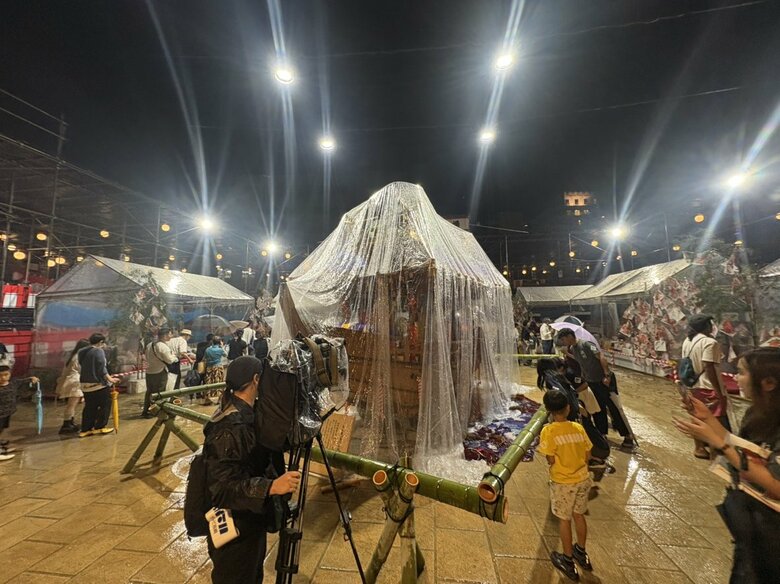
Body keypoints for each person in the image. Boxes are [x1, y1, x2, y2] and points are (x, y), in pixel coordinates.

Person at [673, 348, 780, 583]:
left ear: (769, 382)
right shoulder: (758, 413)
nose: (735, 377)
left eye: (741, 372)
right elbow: (750, 452)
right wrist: (708, 420)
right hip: (753, 525)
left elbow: (776, 483)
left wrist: (720, 445)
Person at [203, 356, 301, 583]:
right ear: (257, 380)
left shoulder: (248, 414)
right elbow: (222, 489)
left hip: (249, 521)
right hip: (235, 530)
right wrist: (271, 487)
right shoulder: (230, 426)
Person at [537, 389, 594, 582]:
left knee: (564, 519)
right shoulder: (578, 428)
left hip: (563, 482)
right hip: (583, 479)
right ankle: (581, 551)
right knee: (579, 515)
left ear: (549, 411)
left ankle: (567, 560)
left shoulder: (549, 431)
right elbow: (588, 454)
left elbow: (550, 459)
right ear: (568, 408)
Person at [558, 328, 637, 451]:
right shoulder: (573, 349)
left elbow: (601, 356)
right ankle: (602, 433)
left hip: (603, 380)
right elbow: (581, 362)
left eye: (563, 339)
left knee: (614, 408)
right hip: (591, 381)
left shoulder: (586, 344)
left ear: (569, 336)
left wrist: (606, 375)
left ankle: (628, 436)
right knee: (598, 408)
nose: (563, 342)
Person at [681, 313, 731, 459]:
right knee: (715, 420)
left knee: (697, 416)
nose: (713, 327)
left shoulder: (687, 341)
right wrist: (720, 392)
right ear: (706, 327)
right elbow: (709, 368)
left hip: (691, 385)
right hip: (708, 388)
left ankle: (699, 448)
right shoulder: (710, 343)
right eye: (711, 324)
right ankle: (716, 454)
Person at [78, 333, 119, 437]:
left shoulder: (82, 351)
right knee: (105, 405)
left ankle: (86, 429)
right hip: (98, 384)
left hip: (85, 385)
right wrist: (111, 379)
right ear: (101, 342)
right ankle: (100, 427)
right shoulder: (98, 351)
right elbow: (101, 368)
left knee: (89, 407)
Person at [0, 366, 38, 460]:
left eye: (6, 375)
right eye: (0, 376)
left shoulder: (13, 383)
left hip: (7, 413)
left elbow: (23, 381)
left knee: (1, 429)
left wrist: (32, 379)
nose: (3, 378)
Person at [56, 338, 90, 434]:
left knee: (72, 405)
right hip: (74, 383)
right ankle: (66, 424)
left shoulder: (73, 356)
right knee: (71, 405)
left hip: (70, 381)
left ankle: (70, 422)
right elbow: (81, 370)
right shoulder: (79, 357)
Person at [144, 327, 177, 418]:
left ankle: (146, 411)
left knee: (149, 392)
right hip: (160, 371)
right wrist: (175, 357)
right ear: (165, 335)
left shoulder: (149, 345)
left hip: (149, 371)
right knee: (160, 392)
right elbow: (170, 360)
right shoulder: (162, 346)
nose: (171, 336)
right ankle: (157, 411)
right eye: (170, 334)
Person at [203, 336, 228, 404]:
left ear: (212, 342)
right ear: (219, 342)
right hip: (218, 367)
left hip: (209, 368)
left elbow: (204, 358)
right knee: (218, 383)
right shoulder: (220, 350)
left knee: (209, 382)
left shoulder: (207, 349)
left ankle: (208, 398)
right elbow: (226, 355)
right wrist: (222, 346)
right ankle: (218, 399)